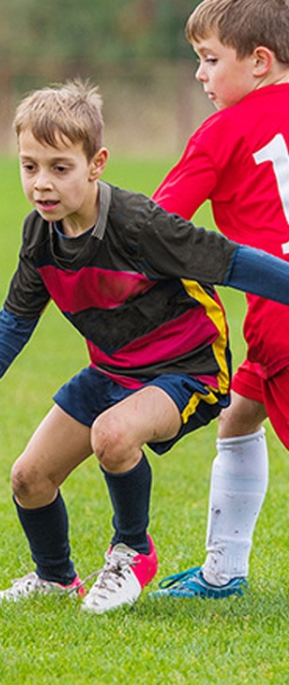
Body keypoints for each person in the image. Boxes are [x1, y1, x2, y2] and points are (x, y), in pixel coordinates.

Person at [0, 79, 289, 614]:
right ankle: (55, 578)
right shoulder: (40, 235)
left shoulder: (139, 225)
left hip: (188, 369)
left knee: (113, 434)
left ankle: (132, 552)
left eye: (60, 168)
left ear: (96, 164)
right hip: (113, 372)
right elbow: (16, 316)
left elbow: (233, 263)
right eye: (29, 166)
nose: (42, 183)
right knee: (29, 478)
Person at [151, 0, 289, 598]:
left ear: (259, 61)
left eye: (210, 60)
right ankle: (223, 572)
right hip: (275, 327)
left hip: (281, 321)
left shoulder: (225, 130)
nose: (200, 74)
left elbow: (155, 227)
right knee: (238, 417)